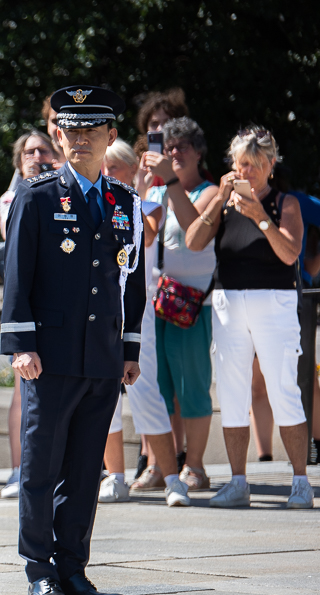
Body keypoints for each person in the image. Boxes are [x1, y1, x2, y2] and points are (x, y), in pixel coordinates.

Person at [1, 85, 143, 595]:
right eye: (71, 130)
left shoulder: (124, 202)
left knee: (86, 469)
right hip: (50, 355)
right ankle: (40, 572)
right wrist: (20, 344)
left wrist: (130, 348)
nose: (80, 139)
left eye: (92, 130)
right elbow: (18, 276)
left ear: (110, 137)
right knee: (41, 467)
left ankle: (73, 570)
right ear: (58, 135)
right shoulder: (36, 197)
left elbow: (132, 281)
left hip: (102, 356)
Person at [185, 126, 312, 509]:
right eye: (241, 164)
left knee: (283, 390)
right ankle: (238, 481)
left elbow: (290, 254)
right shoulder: (223, 204)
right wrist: (217, 200)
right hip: (228, 301)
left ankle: (301, 482)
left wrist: (260, 216)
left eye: (255, 164)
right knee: (232, 392)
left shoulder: (283, 203)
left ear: (271, 165)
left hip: (274, 301)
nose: (248, 172)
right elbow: (193, 241)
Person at [98, 139, 182, 505]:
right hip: (99, 312)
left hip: (137, 312)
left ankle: (173, 478)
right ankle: (115, 476)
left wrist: (135, 192)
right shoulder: (94, 202)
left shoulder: (146, 205)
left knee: (146, 393)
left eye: (114, 168)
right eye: (104, 168)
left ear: (133, 170)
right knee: (104, 396)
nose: (107, 175)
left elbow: (147, 234)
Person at [140, 117, 220, 491]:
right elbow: (145, 237)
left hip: (192, 306)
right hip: (158, 303)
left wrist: (169, 183)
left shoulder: (210, 191)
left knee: (192, 387)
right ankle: (162, 465)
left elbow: (194, 238)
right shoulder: (158, 193)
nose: (174, 152)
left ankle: (197, 466)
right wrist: (142, 186)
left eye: (182, 146)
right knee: (160, 387)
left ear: (199, 152)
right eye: (168, 146)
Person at [0, 130, 60, 499]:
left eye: (44, 150)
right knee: (24, 391)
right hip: (27, 308)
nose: (37, 156)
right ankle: (19, 469)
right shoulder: (13, 197)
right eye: (29, 152)